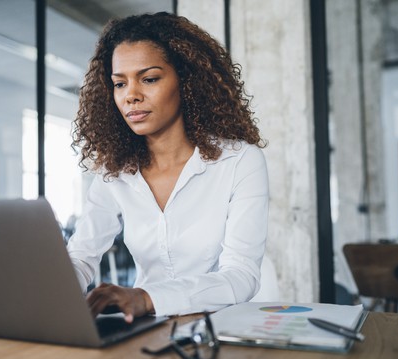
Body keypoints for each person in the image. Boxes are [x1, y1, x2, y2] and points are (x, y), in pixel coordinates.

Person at [67, 12, 269, 323]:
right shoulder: (115, 171)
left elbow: (240, 276)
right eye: (120, 83)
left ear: (187, 81)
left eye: (149, 79)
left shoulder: (240, 161)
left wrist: (146, 298)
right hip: (145, 329)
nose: (131, 96)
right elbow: (82, 255)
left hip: (223, 332)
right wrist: (50, 291)